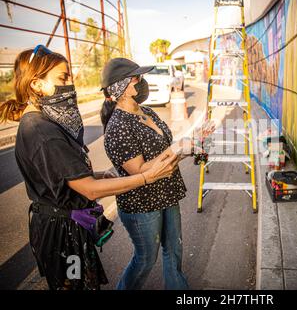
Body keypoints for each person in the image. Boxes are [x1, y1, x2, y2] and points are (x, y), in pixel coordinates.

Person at [0, 45, 179, 290]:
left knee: (84, 284)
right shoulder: (41, 130)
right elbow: (90, 190)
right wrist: (147, 177)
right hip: (62, 236)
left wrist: (95, 174)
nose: (70, 84)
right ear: (36, 84)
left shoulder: (42, 123)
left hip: (69, 229)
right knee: (76, 286)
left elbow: (61, 176)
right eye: (62, 78)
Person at [100, 58, 214, 290]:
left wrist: (193, 140)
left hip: (167, 193)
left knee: (174, 249)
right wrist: (178, 150)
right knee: (145, 259)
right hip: (143, 204)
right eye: (137, 78)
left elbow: (166, 148)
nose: (143, 82)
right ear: (120, 88)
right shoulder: (118, 126)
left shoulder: (148, 112)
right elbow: (140, 171)